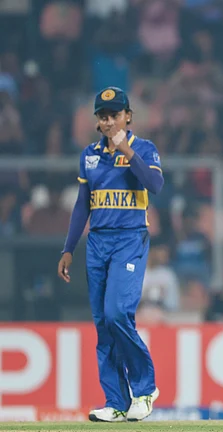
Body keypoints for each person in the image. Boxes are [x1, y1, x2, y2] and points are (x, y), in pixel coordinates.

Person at [57, 87, 163, 422]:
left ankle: (145, 390)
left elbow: (155, 185)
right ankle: (116, 401)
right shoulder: (89, 156)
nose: (109, 121)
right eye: (103, 116)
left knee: (117, 313)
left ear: (128, 116)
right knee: (104, 325)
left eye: (115, 115)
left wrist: (127, 151)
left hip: (130, 239)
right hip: (97, 243)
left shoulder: (144, 148)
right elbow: (82, 205)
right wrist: (68, 248)